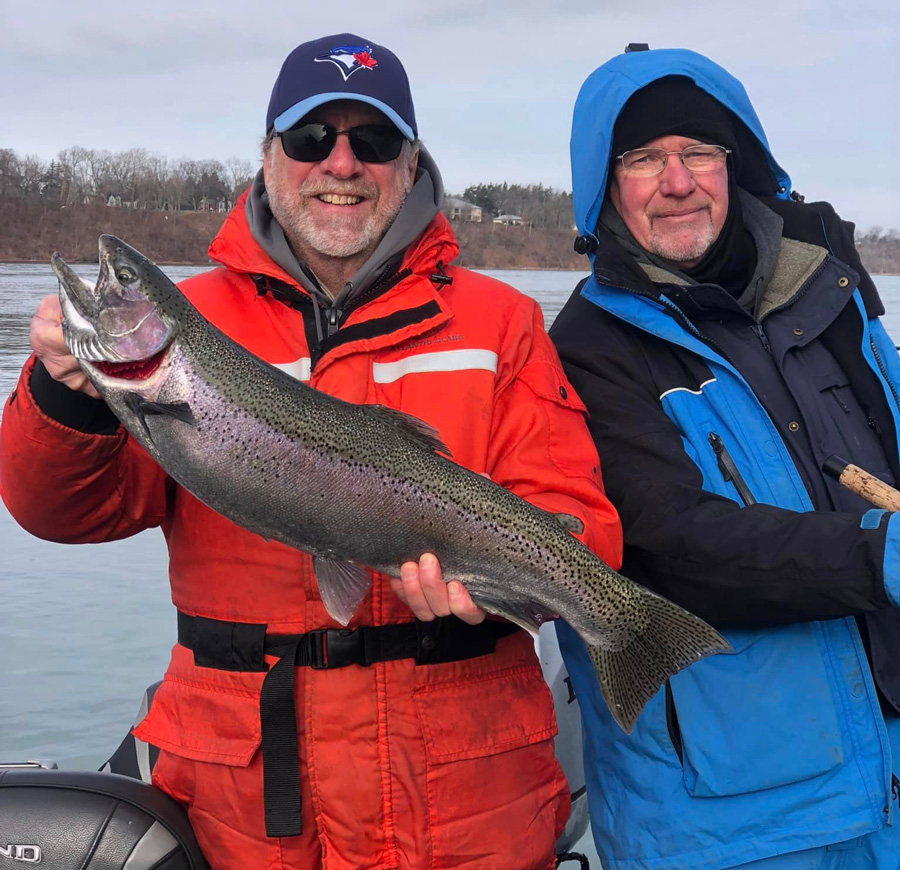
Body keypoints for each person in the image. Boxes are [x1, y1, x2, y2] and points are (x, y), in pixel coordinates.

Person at [0, 33, 623, 870]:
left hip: (469, 802)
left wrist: (533, 589)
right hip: (246, 805)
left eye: (370, 142)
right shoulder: (187, 330)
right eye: (308, 140)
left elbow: (579, 521)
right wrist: (58, 394)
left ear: (409, 165)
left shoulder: (499, 320)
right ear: (267, 158)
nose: (340, 164)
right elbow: (62, 514)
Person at [550, 46, 900, 870]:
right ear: (605, 186)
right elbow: (667, 546)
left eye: (698, 152)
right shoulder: (586, 350)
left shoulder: (833, 297)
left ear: (734, 167)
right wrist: (878, 554)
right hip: (735, 826)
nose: (677, 181)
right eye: (642, 159)